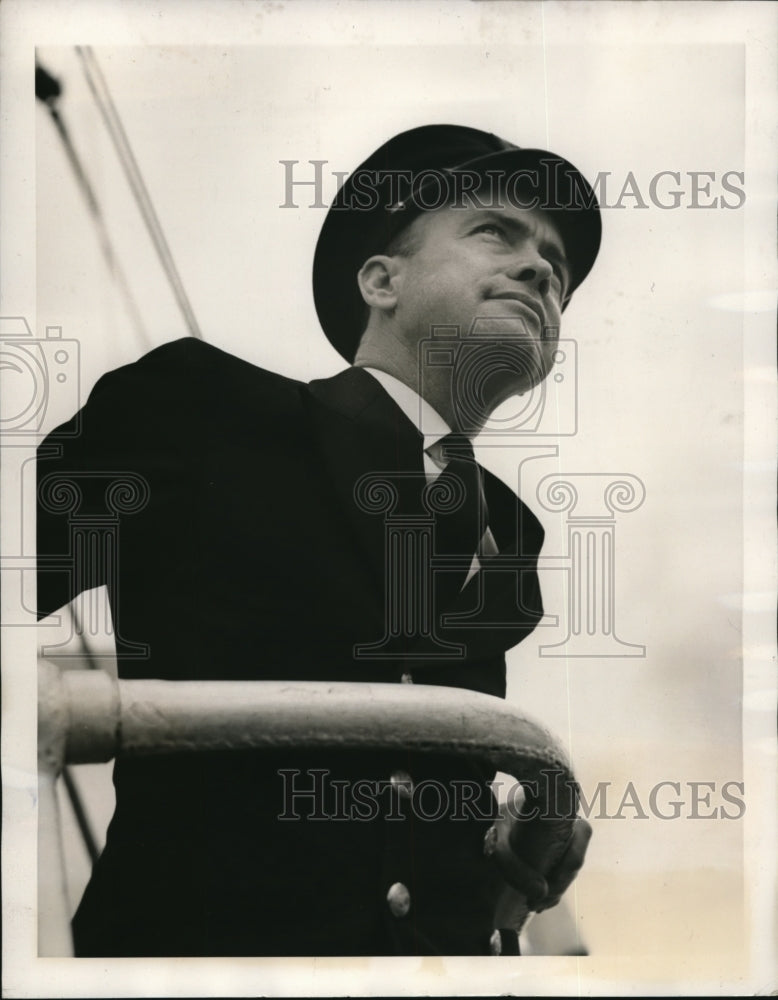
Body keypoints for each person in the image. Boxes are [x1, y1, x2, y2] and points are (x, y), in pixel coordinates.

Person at [37, 124, 601, 956]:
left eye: (556, 264)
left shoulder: (509, 530)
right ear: (382, 279)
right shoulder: (202, 411)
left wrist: (515, 829)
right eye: (496, 232)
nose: (543, 269)